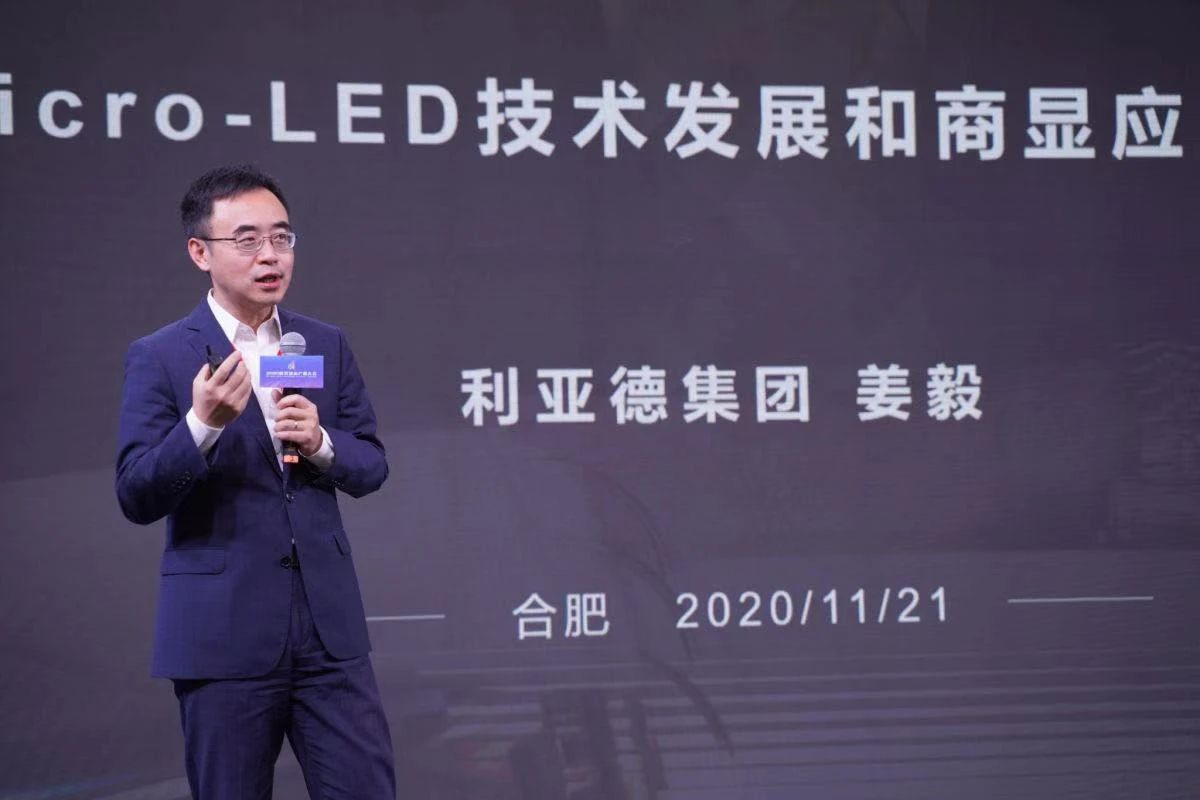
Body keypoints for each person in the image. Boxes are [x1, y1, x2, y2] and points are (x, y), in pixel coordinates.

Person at [116, 165, 395, 798]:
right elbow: (135, 492)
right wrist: (202, 426)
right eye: (246, 240)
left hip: (328, 635)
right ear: (200, 253)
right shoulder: (162, 355)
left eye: (281, 237)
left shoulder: (322, 343)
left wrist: (321, 443)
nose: (269, 255)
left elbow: (372, 463)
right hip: (222, 635)